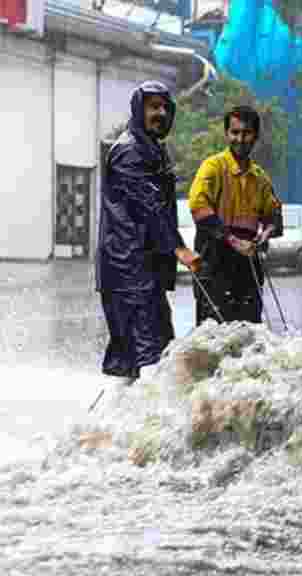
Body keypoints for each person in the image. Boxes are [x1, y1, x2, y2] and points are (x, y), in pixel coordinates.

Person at [96, 81, 201, 383]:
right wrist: (179, 248)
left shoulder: (152, 149)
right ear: (138, 110)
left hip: (143, 267)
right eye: (153, 106)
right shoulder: (129, 151)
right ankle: (139, 423)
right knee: (150, 356)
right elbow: (148, 205)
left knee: (147, 353)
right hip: (127, 267)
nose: (161, 113)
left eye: (166, 107)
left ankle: (111, 426)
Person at [188, 105, 282, 325]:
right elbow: (198, 206)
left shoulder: (261, 178)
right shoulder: (212, 167)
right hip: (214, 261)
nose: (240, 139)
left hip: (248, 265)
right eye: (235, 132)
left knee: (250, 335)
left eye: (247, 133)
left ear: (255, 136)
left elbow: (274, 215)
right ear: (226, 134)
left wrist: (266, 233)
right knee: (213, 337)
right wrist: (232, 240)